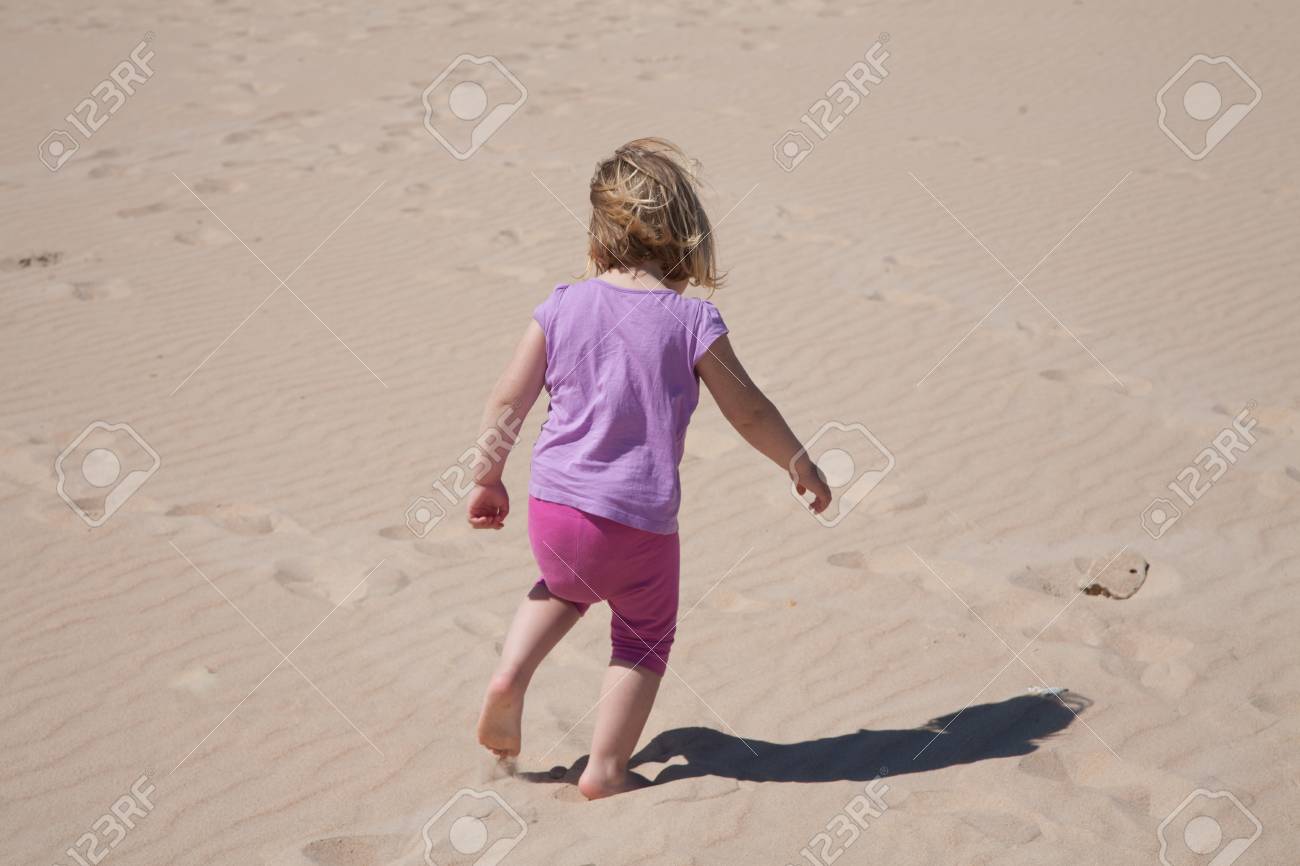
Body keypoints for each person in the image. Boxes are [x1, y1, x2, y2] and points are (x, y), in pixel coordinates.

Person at [469, 138, 831, 798]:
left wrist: (488, 475)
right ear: (685, 240)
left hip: (555, 513)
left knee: (563, 588)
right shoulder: (692, 321)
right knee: (642, 638)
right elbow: (747, 411)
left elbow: (506, 399)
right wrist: (797, 460)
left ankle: (511, 674)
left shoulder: (559, 305)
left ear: (600, 231)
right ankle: (605, 768)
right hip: (637, 523)